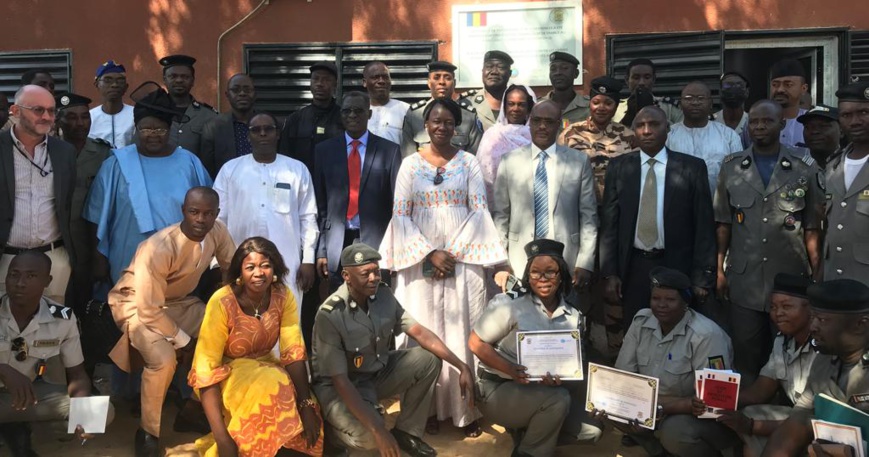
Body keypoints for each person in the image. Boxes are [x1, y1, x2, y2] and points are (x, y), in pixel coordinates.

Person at [381, 98, 507, 435]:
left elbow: (480, 211)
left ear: (457, 126)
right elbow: (401, 214)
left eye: (448, 121)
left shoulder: (468, 163)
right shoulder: (409, 165)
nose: (442, 127)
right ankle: (428, 411)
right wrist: (429, 254)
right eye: (435, 121)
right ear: (425, 125)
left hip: (462, 260)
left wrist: (449, 254)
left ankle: (466, 410)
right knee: (424, 331)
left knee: (462, 329)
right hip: (418, 259)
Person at [311, 243, 474, 457]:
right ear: (346, 276)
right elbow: (340, 381)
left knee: (428, 359)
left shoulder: (383, 295)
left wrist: (461, 366)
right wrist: (378, 429)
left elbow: (420, 333)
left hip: (373, 376)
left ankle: (406, 433)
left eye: (376, 271)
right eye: (365, 273)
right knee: (371, 439)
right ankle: (334, 436)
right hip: (339, 389)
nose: (374, 278)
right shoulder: (330, 314)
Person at [107, 187, 235, 456]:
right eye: (194, 212)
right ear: (183, 212)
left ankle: (193, 409)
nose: (201, 219)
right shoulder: (158, 247)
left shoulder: (218, 231)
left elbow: (231, 271)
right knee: (164, 359)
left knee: (231, 333)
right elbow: (149, 309)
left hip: (179, 302)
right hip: (136, 305)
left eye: (208, 213)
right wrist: (186, 342)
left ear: (217, 214)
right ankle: (148, 432)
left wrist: (234, 306)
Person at [715, 99, 823, 383]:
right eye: (755, 122)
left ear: (782, 124)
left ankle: (786, 414)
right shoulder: (732, 167)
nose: (760, 126)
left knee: (791, 354)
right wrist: (718, 269)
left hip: (790, 280)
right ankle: (748, 414)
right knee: (746, 352)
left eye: (767, 121)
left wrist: (817, 272)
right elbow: (724, 223)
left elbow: (812, 226)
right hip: (745, 281)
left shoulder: (804, 167)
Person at [189, 237, 323, 456]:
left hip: (266, 367)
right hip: (225, 375)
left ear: (275, 269)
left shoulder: (283, 296)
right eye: (250, 267)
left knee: (301, 403)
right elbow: (206, 369)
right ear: (239, 272)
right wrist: (222, 440)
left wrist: (306, 404)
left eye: (266, 266)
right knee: (270, 389)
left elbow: (293, 352)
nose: (259, 273)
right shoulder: (222, 301)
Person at [470, 239, 603, 456]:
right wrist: (510, 370)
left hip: (541, 391)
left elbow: (573, 364)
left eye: (550, 272)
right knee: (557, 400)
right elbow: (475, 343)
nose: (542, 279)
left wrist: (562, 378)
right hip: (498, 387)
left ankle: (528, 432)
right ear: (527, 275)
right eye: (535, 272)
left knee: (592, 431)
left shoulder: (574, 314)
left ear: (561, 275)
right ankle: (528, 452)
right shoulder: (509, 304)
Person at [84, 81, 213, 286]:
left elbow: (208, 212)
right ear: (136, 128)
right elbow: (95, 216)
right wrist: (98, 257)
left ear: (169, 128)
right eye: (146, 129)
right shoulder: (116, 164)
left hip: (181, 259)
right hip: (127, 257)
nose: (152, 135)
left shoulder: (189, 163)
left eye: (160, 129)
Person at [600, 266, 738, 457]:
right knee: (609, 405)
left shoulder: (707, 335)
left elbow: (713, 404)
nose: (661, 305)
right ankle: (659, 452)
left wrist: (659, 407)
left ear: (685, 303)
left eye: (670, 299)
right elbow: (623, 379)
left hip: (693, 417)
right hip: (652, 406)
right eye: (656, 298)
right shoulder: (641, 322)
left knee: (676, 432)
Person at [600, 106, 716, 330]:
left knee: (679, 332)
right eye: (640, 126)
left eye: (654, 125)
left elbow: (704, 225)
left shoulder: (691, 168)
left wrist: (702, 277)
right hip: (634, 267)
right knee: (636, 330)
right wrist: (610, 273)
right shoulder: (619, 167)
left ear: (667, 129)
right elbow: (610, 225)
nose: (646, 131)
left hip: (677, 265)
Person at [0, 251, 111, 454]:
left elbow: (76, 373)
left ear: (47, 280)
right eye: (14, 274)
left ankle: (16, 425)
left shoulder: (63, 318)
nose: (20, 283)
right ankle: (14, 428)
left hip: (27, 397)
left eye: (31, 276)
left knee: (99, 412)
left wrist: (83, 416)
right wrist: (3, 370)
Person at [214, 112, 318, 314]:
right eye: (256, 130)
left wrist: (308, 260)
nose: (263, 134)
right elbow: (219, 219)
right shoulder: (230, 170)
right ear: (248, 136)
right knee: (242, 320)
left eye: (268, 129)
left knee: (287, 317)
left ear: (277, 134)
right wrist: (217, 262)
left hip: (288, 260)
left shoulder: (297, 170)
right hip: (240, 261)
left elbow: (308, 217)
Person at [492, 99, 598, 291]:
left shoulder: (579, 162)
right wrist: (502, 261)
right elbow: (501, 216)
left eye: (549, 122)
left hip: (567, 259)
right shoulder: (509, 162)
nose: (542, 127)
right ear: (529, 122)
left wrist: (584, 262)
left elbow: (589, 217)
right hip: (518, 260)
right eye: (537, 121)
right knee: (521, 318)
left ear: (559, 124)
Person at [761, 279, 869, 457]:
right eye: (812, 318)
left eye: (822, 320)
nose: (812, 327)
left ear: (860, 324)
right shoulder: (823, 360)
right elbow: (800, 419)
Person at [714, 274, 816, 457]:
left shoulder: (824, 348)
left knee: (753, 424)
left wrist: (752, 426)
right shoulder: (782, 341)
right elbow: (759, 392)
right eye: (773, 307)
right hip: (796, 421)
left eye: (787, 307)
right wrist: (714, 399)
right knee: (749, 412)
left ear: (811, 310)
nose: (778, 313)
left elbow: (817, 420)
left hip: (816, 426)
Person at [313, 91, 401, 293]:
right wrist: (322, 250)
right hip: (337, 241)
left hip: (376, 241)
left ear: (369, 114)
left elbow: (397, 205)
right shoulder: (324, 151)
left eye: (358, 111)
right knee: (342, 305)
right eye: (347, 111)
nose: (352, 115)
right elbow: (321, 204)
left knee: (376, 302)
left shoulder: (390, 151)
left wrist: (395, 249)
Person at [0, 85, 76, 305]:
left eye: (51, 111)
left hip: (53, 258)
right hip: (6, 258)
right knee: (6, 327)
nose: (47, 117)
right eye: (38, 110)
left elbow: (66, 203)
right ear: (15, 111)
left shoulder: (65, 152)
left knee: (54, 321)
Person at [55, 93, 111, 309]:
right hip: (57, 240)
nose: (80, 123)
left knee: (87, 299)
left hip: (90, 241)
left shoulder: (103, 153)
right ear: (59, 120)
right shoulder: (47, 151)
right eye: (71, 117)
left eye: (85, 117)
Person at [560, 75, 637, 205]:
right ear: (589, 104)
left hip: (617, 206)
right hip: (578, 205)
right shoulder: (571, 133)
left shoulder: (628, 136)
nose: (601, 108)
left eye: (608, 103)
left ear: (616, 106)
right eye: (596, 102)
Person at [823, 80, 869, 281]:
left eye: (864, 112)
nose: (855, 121)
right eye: (846, 115)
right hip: (835, 280)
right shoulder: (833, 166)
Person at [667, 81, 743, 193]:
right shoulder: (669, 135)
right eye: (689, 98)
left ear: (711, 103)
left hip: (718, 206)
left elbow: (738, 174)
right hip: (678, 206)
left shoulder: (728, 135)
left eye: (701, 98)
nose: (695, 102)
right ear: (681, 103)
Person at [400, 61, 483, 158]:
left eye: (447, 78)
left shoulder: (468, 116)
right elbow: (408, 155)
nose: (442, 82)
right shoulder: (414, 115)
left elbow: (474, 156)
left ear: (454, 83)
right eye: (436, 77)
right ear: (429, 83)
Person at [278, 61, 343, 173]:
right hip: (302, 183)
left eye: (326, 79)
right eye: (315, 79)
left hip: (333, 184)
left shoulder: (343, 118)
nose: (320, 84)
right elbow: (284, 156)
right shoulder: (295, 119)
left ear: (335, 85)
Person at [476, 84, 536, 203]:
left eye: (521, 104)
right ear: (504, 106)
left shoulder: (536, 136)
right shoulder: (493, 135)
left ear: (529, 108)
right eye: (511, 104)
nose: (515, 109)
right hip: (497, 201)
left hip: (530, 202)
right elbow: (484, 176)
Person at [200, 73, 258, 178]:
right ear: (227, 95)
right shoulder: (213, 127)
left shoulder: (268, 125)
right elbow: (208, 168)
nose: (242, 94)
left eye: (247, 90)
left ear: (255, 93)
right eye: (236, 90)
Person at [160, 54, 218, 158]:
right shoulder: (152, 112)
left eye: (185, 77)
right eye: (173, 76)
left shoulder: (209, 116)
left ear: (193, 81)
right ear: (164, 80)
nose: (179, 80)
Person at [748, 59, 808, 151]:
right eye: (775, 85)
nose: (780, 90)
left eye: (788, 85)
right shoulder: (754, 123)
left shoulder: (810, 122)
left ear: (803, 88)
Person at [614, 58, 683, 127]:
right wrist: (628, 117)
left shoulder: (669, 108)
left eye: (647, 77)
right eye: (636, 78)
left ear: (653, 79)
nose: (641, 83)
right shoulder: (616, 108)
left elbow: (682, 133)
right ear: (627, 80)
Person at [459, 50, 514, 132]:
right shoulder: (466, 104)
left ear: (509, 73)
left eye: (501, 67)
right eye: (489, 67)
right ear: (482, 71)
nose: (494, 72)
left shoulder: (520, 104)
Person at [539, 52, 590, 131]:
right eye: (553, 69)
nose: (558, 73)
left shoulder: (588, 106)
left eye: (564, 68)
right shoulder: (538, 106)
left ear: (576, 73)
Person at [89, 60, 135, 148]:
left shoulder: (135, 115)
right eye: (107, 80)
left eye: (120, 81)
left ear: (126, 87)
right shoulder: (89, 117)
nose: (114, 85)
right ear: (97, 84)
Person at [363, 61, 409, 144]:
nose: (381, 81)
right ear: (365, 82)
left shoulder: (405, 110)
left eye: (385, 77)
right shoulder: (358, 112)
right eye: (375, 77)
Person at [797, 104, 841, 169]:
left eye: (823, 126)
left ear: (841, 130)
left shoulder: (849, 162)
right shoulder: (796, 165)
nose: (814, 131)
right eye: (808, 127)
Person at [713, 71, 751, 141]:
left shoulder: (753, 122)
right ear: (720, 92)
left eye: (739, 85)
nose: (733, 89)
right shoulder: (710, 122)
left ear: (747, 92)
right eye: (727, 86)